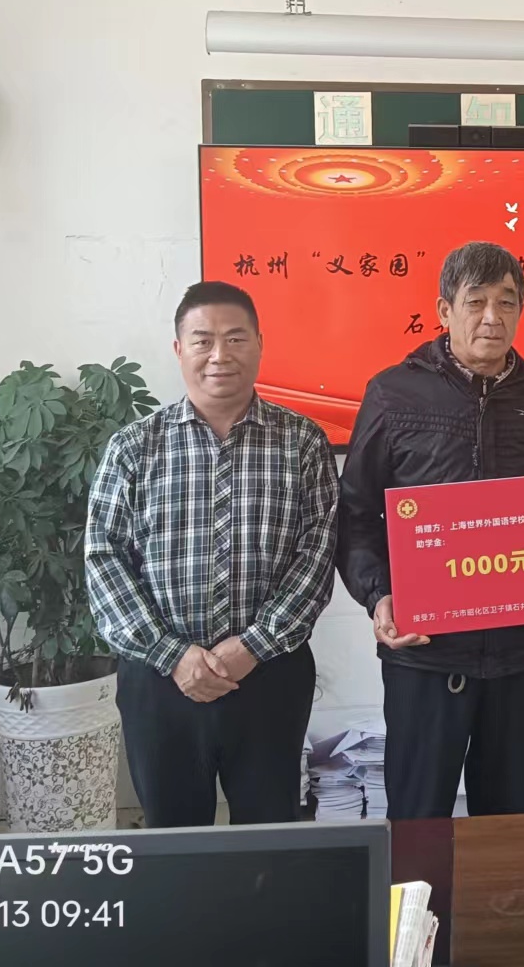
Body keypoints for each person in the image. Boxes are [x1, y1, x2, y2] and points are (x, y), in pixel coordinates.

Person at [337, 241, 524, 820]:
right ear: (444, 310)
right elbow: (355, 512)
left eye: (507, 302)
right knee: (418, 819)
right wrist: (379, 595)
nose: (491, 317)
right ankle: (415, 889)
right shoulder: (393, 393)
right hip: (426, 652)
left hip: (521, 651)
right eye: (475, 301)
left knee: (508, 819)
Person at [85, 280, 337, 827]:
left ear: (260, 345)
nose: (220, 354)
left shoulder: (302, 443)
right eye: (203, 340)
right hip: (160, 681)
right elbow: (104, 560)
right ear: (179, 349)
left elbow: (317, 556)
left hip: (270, 676)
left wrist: (253, 646)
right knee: (175, 840)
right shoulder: (133, 447)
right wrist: (174, 656)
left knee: (270, 834)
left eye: (235, 338)